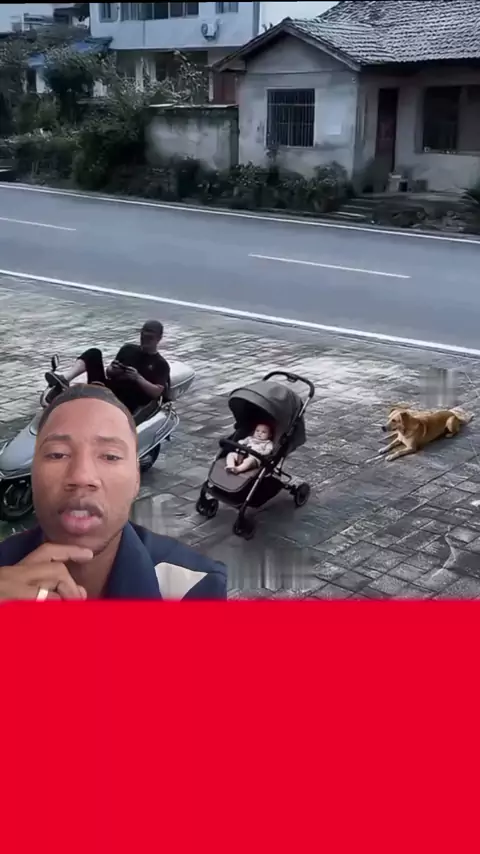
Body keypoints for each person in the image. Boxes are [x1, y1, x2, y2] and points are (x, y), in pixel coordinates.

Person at [0, 384, 227, 601]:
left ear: (136, 478)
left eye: (110, 456)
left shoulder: (193, 588)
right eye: (57, 454)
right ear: (33, 474)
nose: (82, 477)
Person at [45, 320, 170, 415]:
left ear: (158, 338)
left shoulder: (160, 364)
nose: (145, 340)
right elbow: (109, 372)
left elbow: (157, 391)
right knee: (94, 353)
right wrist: (114, 370)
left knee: (128, 394)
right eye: (143, 336)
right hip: (107, 389)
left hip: (127, 401)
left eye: (149, 338)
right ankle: (65, 379)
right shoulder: (128, 349)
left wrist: (137, 378)